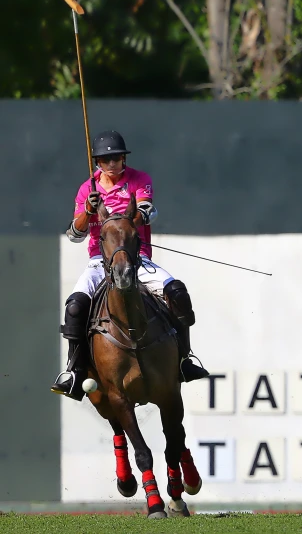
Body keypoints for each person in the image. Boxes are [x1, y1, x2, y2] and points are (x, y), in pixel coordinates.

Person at [51, 130, 209, 401]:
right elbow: (74, 235)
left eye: (117, 158)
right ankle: (74, 370)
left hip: (138, 258)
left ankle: (185, 358)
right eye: (106, 159)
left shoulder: (139, 180)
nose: (113, 163)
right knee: (75, 306)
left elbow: (147, 211)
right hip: (100, 262)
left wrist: (118, 229)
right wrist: (88, 212)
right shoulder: (86, 189)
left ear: (124, 159)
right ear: (97, 163)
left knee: (177, 293)